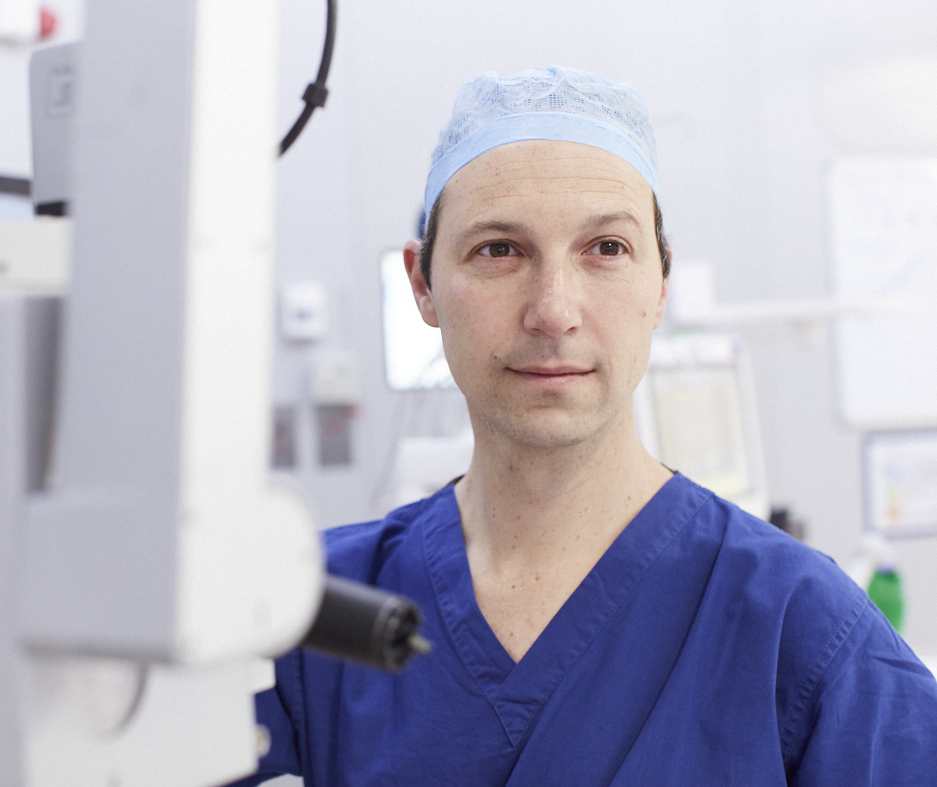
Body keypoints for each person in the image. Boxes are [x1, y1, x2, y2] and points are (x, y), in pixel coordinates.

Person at [231, 66, 937, 786]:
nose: (553, 310)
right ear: (422, 284)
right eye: (498, 249)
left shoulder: (797, 624)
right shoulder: (310, 610)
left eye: (605, 249)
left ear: (660, 284)